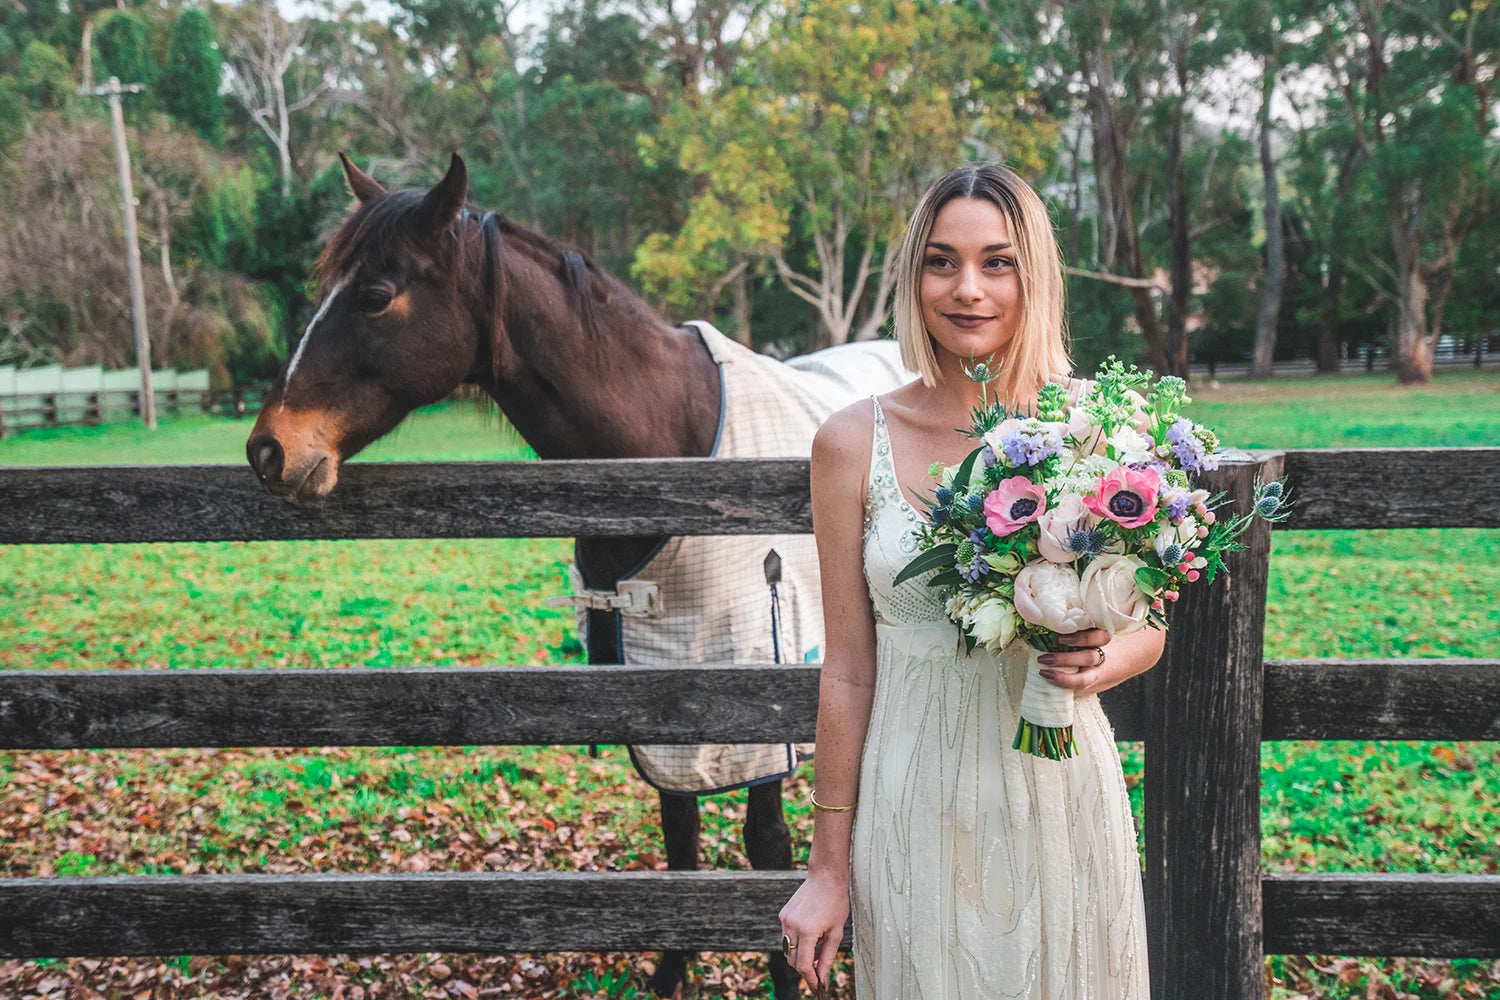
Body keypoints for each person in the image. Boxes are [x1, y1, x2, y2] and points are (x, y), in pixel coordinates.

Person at [777, 163, 1160, 999]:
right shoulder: (850, 441)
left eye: (998, 262)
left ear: (1035, 277)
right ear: (915, 276)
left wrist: (1102, 663)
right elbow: (845, 669)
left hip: (1057, 787)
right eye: (941, 261)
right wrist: (826, 867)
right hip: (911, 793)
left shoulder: (1097, 429)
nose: (967, 289)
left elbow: (1152, 627)